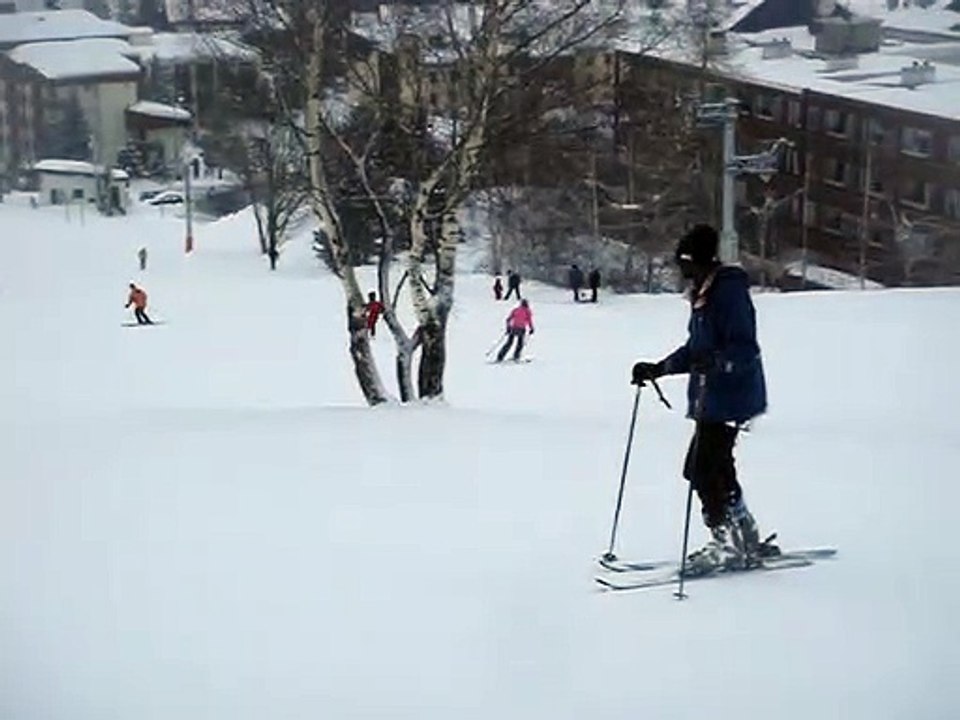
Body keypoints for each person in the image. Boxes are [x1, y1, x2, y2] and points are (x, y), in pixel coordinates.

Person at [631, 224, 768, 573]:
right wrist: (658, 368)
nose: (681, 271)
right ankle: (745, 534)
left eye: (684, 263)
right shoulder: (704, 293)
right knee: (717, 468)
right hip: (713, 399)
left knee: (701, 469)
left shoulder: (729, 293)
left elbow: (745, 349)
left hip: (731, 396)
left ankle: (725, 544)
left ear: (699, 261)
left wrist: (718, 362)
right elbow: (696, 349)